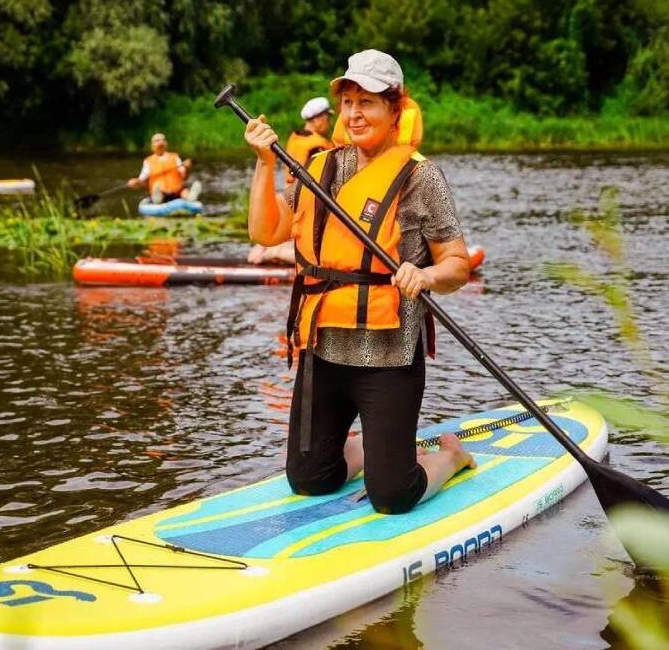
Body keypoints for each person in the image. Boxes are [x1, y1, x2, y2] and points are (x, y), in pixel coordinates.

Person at [244, 49, 475, 515]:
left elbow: (458, 263)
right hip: (322, 346)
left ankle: (450, 456)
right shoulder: (319, 168)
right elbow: (264, 232)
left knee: (393, 496)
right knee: (310, 478)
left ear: (394, 109)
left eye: (366, 102)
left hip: (387, 355)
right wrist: (264, 163)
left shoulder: (421, 177)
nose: (353, 113)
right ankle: (379, 453)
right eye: (348, 102)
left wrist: (426, 274)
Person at [248, 97, 335, 265]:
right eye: (327, 117)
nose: (329, 122)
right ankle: (276, 252)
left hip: (290, 196)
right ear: (318, 118)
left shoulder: (295, 137)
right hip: (307, 202)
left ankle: (269, 248)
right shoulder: (318, 147)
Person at [128, 133, 194, 204]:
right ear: (152, 146)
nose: (161, 142)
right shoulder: (148, 161)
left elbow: (184, 177)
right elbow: (141, 180)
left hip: (177, 191)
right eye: (157, 140)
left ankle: (191, 198)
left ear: (166, 144)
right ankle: (157, 199)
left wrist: (188, 168)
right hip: (161, 192)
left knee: (184, 191)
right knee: (158, 192)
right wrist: (135, 182)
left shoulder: (175, 157)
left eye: (163, 140)